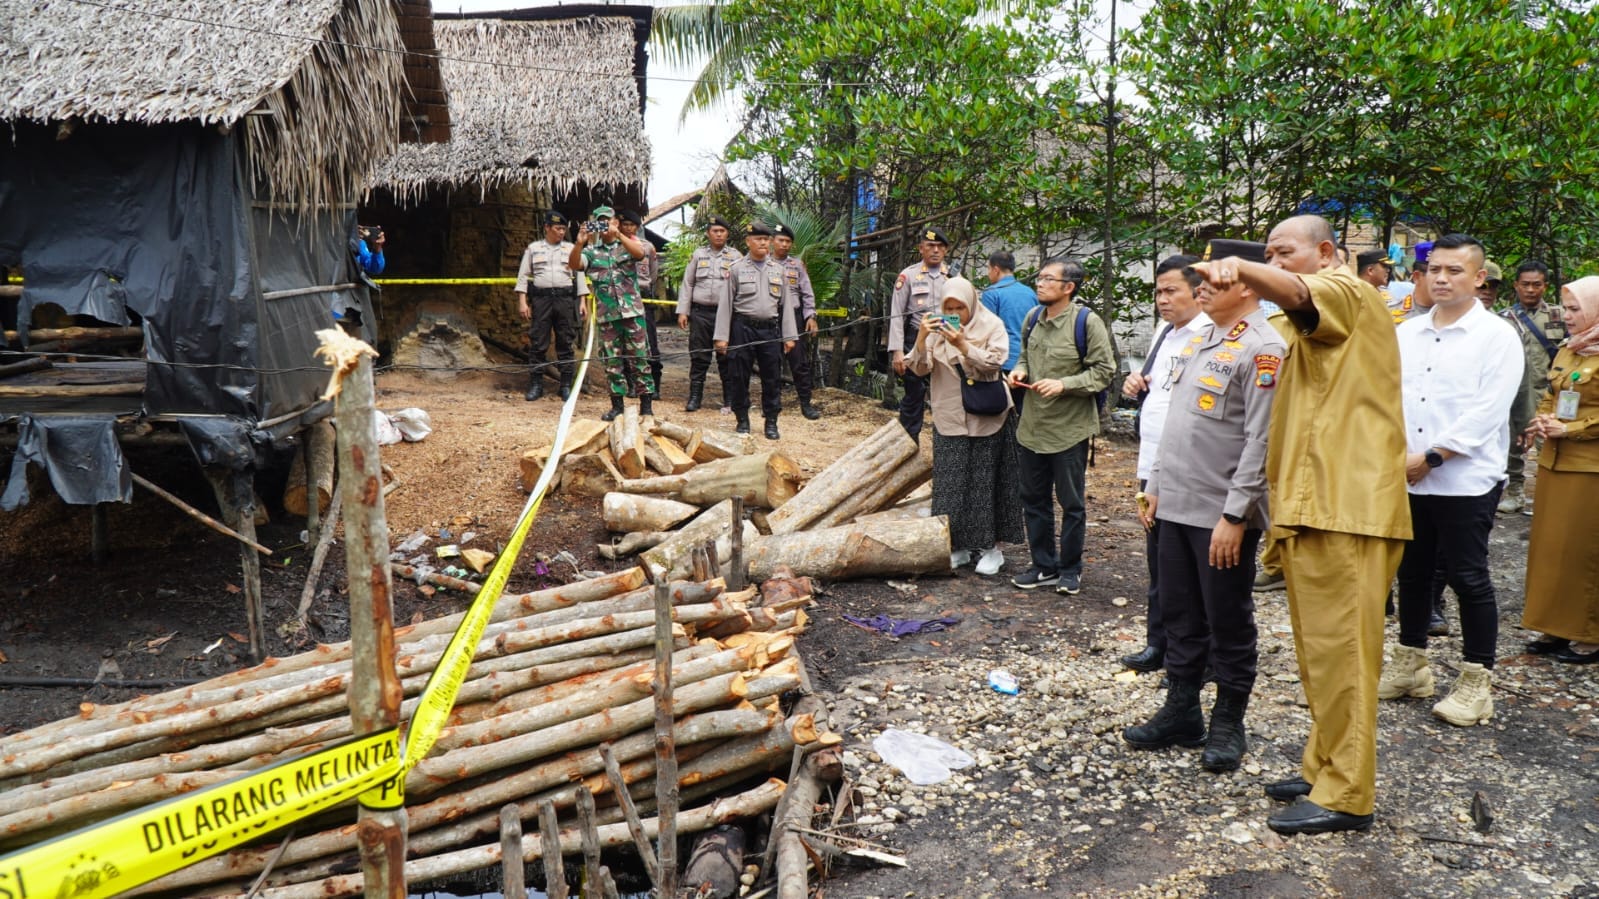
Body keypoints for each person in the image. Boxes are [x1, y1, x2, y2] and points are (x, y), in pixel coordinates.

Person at [1195, 214, 1411, 836]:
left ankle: (1347, 793)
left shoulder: (1350, 290)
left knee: (1344, 652)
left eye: (1284, 251)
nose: (1277, 262)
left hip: (1347, 506)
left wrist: (1243, 269)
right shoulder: (1306, 321)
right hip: (1318, 507)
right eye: (1267, 252)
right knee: (1323, 652)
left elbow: (1296, 292)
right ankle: (1325, 767)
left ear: (1325, 251)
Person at [1125, 239, 1284, 773]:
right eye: (1202, 280)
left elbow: (1260, 442)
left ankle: (1228, 721)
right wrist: (1158, 486)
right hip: (1176, 505)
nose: (1202, 288)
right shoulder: (1201, 337)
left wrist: (1236, 517)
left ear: (1248, 284)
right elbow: (1178, 423)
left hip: (1220, 515)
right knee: (1179, 613)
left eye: (1214, 280)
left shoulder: (1264, 347)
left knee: (1228, 619)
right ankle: (1182, 710)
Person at [1379, 234, 1522, 727]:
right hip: (1409, 472)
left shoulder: (1496, 336)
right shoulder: (1407, 333)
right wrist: (1399, 453)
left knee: (1467, 577)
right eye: (1434, 269)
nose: (1441, 278)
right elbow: (1389, 397)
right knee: (1412, 572)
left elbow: (1488, 410)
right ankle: (1411, 662)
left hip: (1465, 477)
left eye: (1454, 271)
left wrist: (1434, 456)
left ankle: (1476, 680)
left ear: (1479, 278)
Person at [1119, 254, 1211, 673]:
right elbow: (1161, 387)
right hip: (1152, 462)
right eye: (1158, 291)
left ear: (1199, 291)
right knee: (1159, 560)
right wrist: (1137, 384)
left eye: (1171, 290)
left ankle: (1198, 653)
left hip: (1191, 468)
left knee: (1195, 567)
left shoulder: (1211, 335)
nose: (1162, 299)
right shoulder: (1164, 332)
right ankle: (1159, 642)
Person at [1005, 258, 1115, 595]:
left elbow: (1104, 371)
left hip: (1069, 430)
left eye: (1048, 279)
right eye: (1039, 277)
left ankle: (1070, 568)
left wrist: (1065, 384)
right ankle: (1043, 566)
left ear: (1069, 287)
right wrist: (1020, 370)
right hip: (1032, 427)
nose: (1040, 284)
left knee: (1072, 503)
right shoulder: (1031, 319)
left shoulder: (1086, 323)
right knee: (1033, 500)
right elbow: (1024, 355)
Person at [906, 277, 1024, 576]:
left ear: (972, 303)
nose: (956, 312)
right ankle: (956, 546)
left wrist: (962, 343)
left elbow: (995, 364)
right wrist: (921, 338)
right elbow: (919, 369)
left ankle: (990, 548)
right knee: (951, 484)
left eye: (961, 307)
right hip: (949, 415)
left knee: (986, 481)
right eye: (950, 307)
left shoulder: (991, 324)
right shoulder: (935, 328)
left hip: (988, 416)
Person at [1520, 276, 1599, 664]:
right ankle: (1554, 626)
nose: (1567, 317)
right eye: (1565, 309)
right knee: (1551, 549)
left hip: (1589, 468)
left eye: (1575, 309)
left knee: (1584, 550)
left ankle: (1589, 634)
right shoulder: (1570, 350)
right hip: (1554, 462)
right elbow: (1550, 395)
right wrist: (1541, 421)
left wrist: (1571, 429)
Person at [569, 205, 652, 421]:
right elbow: (575, 264)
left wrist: (620, 236)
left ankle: (646, 405)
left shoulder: (627, 244)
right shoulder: (590, 252)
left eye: (610, 221)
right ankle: (618, 405)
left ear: (616, 223)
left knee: (640, 359)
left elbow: (640, 254)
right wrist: (579, 243)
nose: (606, 226)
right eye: (601, 222)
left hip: (632, 313)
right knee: (612, 362)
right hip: (608, 316)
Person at [714, 223, 797, 439]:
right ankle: (742, 419)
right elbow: (725, 304)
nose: (762, 242)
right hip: (742, 329)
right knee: (739, 376)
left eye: (765, 239)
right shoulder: (736, 268)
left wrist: (789, 337)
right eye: (757, 238)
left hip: (770, 331)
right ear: (748, 242)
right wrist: (722, 337)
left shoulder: (778, 270)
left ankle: (771, 421)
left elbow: (786, 306)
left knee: (772, 377)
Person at [1498, 259, 1567, 513]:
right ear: (1516, 285)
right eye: (1525, 284)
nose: (1530, 289)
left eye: (1536, 285)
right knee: (1512, 444)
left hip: (1548, 392)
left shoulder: (1560, 317)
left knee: (1548, 445)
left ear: (1545, 287)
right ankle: (1515, 492)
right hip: (1514, 391)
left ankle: (1549, 496)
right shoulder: (1504, 320)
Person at [887, 230, 952, 439]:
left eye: (940, 246)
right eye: (930, 246)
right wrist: (897, 352)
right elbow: (896, 314)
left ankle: (945, 444)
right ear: (921, 248)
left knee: (946, 395)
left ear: (946, 249)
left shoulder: (954, 276)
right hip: (916, 341)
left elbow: (962, 313)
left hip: (945, 340)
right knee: (914, 394)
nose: (935, 250)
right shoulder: (908, 276)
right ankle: (909, 445)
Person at [515, 211, 586, 401]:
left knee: (565, 342)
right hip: (541, 300)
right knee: (538, 342)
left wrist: (583, 301)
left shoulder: (572, 248)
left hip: (564, 300)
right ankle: (536, 385)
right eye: (557, 228)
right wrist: (523, 301)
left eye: (564, 229)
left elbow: (579, 276)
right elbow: (523, 276)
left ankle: (565, 385)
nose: (561, 232)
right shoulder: (533, 249)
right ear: (547, 228)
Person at [677, 216, 740, 412]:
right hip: (700, 313)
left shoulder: (736, 256)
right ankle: (695, 398)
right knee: (699, 356)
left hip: (726, 315)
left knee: (726, 357)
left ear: (727, 233)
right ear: (708, 233)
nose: (719, 234)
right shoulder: (698, 254)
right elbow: (688, 283)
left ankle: (729, 400)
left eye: (722, 231)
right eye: (715, 231)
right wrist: (683, 311)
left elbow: (741, 287)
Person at [772, 223, 822, 420]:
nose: (784, 245)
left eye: (788, 242)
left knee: (799, 362)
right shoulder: (763, 264)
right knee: (771, 362)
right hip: (772, 317)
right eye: (781, 240)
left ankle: (805, 403)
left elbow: (807, 293)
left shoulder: (797, 266)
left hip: (794, 317)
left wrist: (811, 317)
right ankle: (773, 404)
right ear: (772, 242)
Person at [980, 250, 1037, 410]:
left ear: (996, 269)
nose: (988, 273)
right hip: (1027, 362)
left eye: (988, 269)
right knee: (1021, 409)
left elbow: (985, 330)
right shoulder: (1030, 292)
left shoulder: (992, 293)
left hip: (1003, 360)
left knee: (999, 411)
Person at [618, 210, 663, 399]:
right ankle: (631, 385)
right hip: (623, 297)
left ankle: (654, 386)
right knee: (625, 341)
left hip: (643, 296)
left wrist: (643, 287)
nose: (628, 228)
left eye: (632, 225)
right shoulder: (615, 246)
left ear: (637, 227)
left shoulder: (648, 247)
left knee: (649, 342)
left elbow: (653, 274)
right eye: (625, 224)